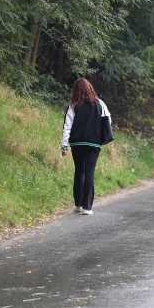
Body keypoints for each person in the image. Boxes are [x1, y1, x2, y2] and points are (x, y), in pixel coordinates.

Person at [60, 77, 114, 215]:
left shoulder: (73, 105)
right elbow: (108, 120)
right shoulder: (100, 103)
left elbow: (67, 125)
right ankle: (87, 208)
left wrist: (64, 145)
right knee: (89, 172)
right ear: (90, 88)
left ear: (76, 90)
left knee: (79, 171)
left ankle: (78, 205)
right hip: (94, 144)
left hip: (77, 143)